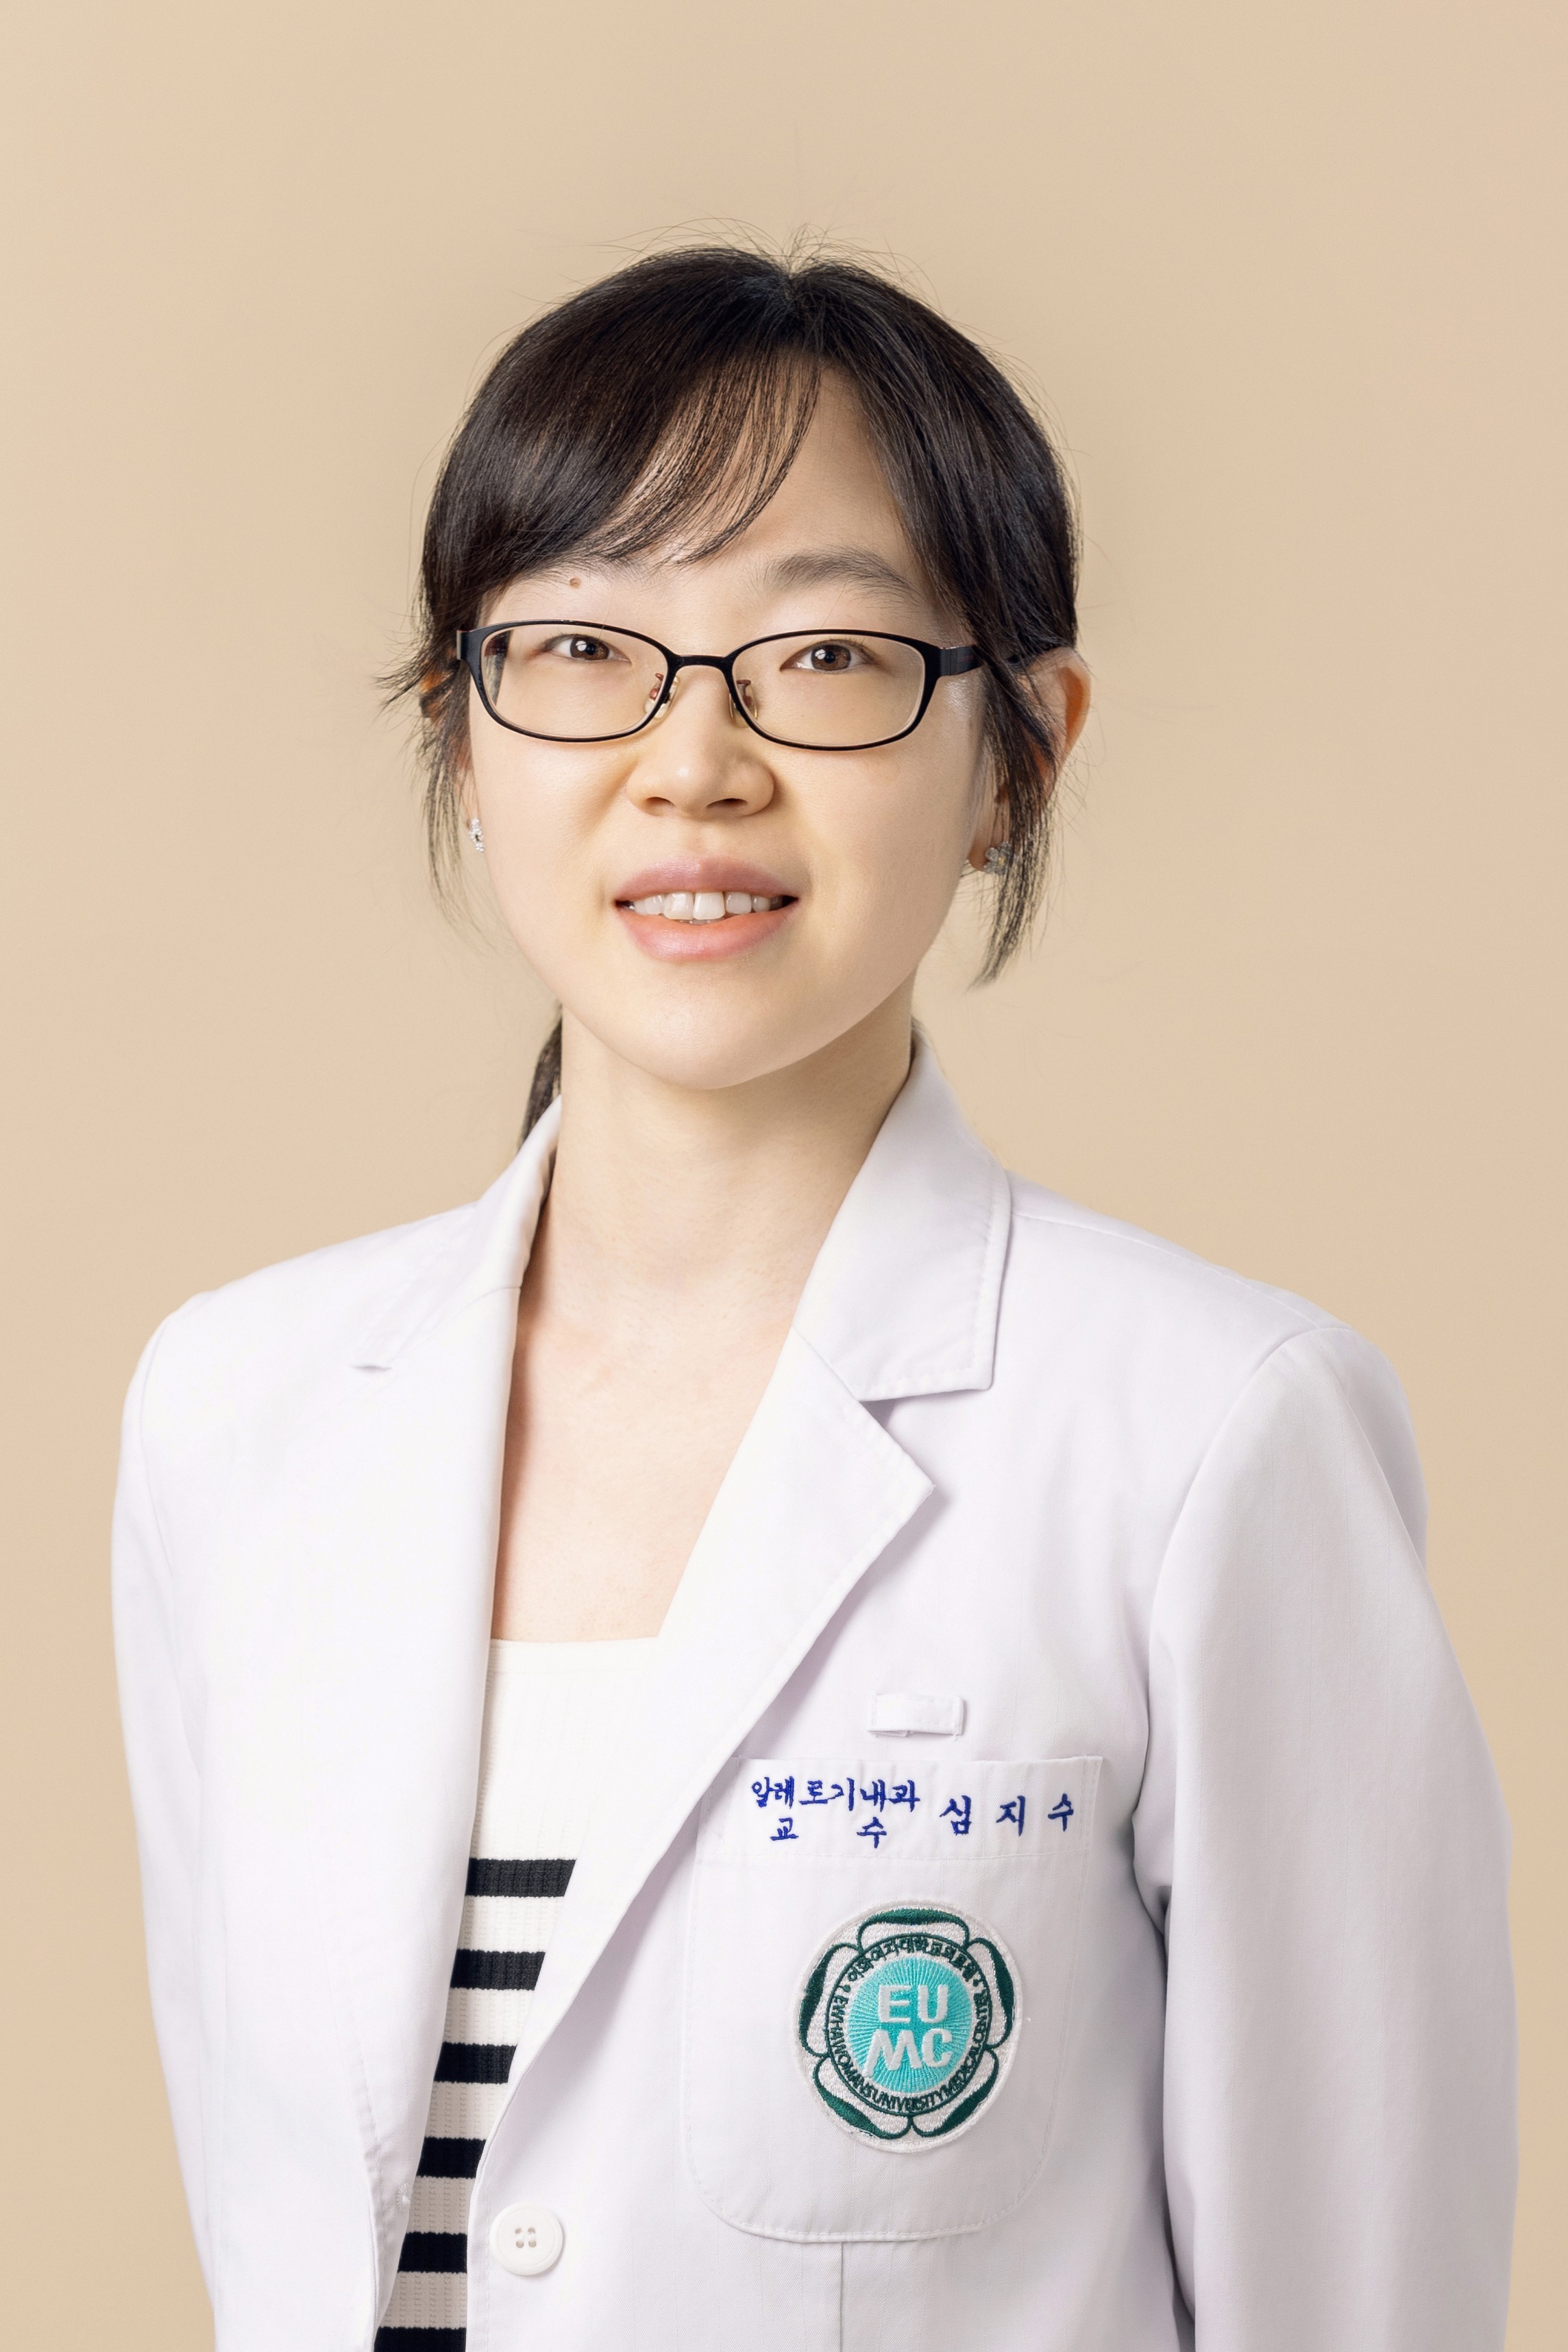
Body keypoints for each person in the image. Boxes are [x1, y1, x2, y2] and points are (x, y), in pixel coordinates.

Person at [113, 247, 1516, 2352]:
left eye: (828, 655)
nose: (694, 762)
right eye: (581, 647)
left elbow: (1359, 2300)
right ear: (460, 734)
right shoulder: (238, 1416)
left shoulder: (1211, 1439)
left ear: (1021, 755)